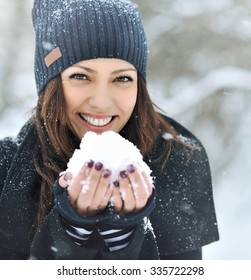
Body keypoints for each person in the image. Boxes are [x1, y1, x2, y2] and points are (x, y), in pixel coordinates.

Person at [0, 0, 219, 260]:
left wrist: (125, 236)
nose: (102, 102)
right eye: (81, 76)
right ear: (50, 83)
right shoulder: (8, 170)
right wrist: (70, 231)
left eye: (122, 78)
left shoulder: (175, 158)